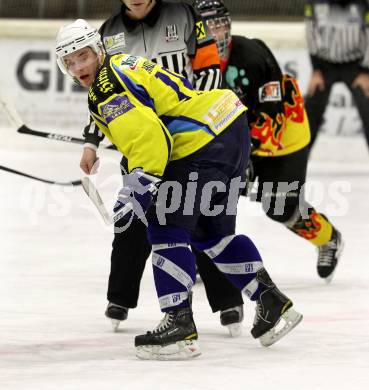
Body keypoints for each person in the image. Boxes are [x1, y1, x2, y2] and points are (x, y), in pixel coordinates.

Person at [56, 19, 303, 360]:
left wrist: (135, 194)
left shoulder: (105, 89)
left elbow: (151, 142)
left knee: (164, 226)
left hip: (200, 145)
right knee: (210, 233)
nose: (77, 67)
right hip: (227, 128)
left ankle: (179, 326)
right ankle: (271, 303)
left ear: (97, 50)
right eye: (68, 62)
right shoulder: (120, 65)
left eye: (82, 56)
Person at [79, 0, 244, 335]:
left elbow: (210, 69)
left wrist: (195, 117)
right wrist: (91, 142)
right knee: (133, 220)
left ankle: (228, 301)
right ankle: (120, 299)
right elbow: (102, 93)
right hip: (143, 145)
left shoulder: (184, 14)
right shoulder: (107, 32)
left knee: (200, 222)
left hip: (187, 140)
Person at [194, 0, 344, 286]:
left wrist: (244, 159)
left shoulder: (251, 54)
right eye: (206, 26)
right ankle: (215, 257)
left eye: (219, 24)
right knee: (213, 197)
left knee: (279, 206)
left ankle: (328, 238)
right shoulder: (190, 63)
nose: (215, 33)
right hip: (239, 138)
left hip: (285, 134)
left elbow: (271, 113)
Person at [304, 0, 369, 150]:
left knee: (367, 108)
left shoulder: (363, 4)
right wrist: (316, 69)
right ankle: (297, 162)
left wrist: (366, 70)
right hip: (324, 64)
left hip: (356, 65)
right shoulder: (313, 3)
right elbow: (310, 31)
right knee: (310, 115)